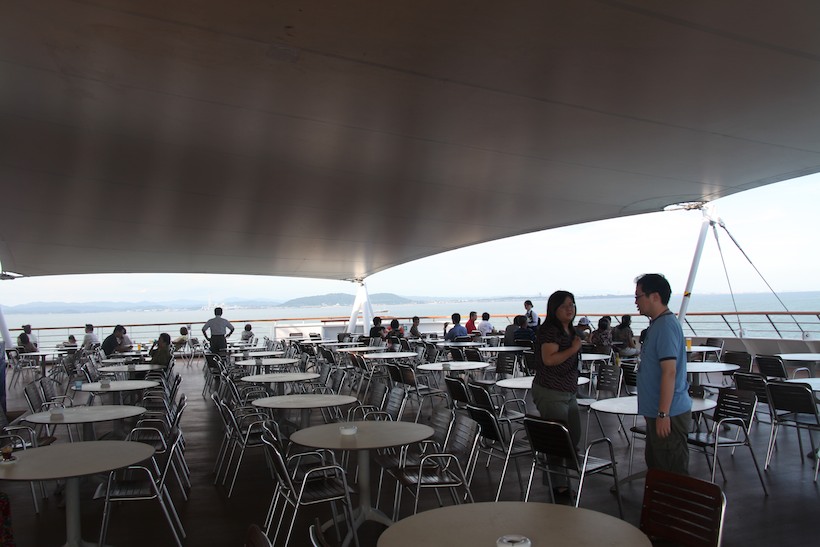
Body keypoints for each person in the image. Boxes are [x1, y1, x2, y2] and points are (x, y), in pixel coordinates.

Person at [635, 273, 692, 475]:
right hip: (659, 411)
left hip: (669, 413)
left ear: (655, 297)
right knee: (658, 466)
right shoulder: (658, 325)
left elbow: (669, 372)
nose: (636, 302)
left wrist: (663, 414)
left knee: (670, 472)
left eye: (638, 296)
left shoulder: (666, 327)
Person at [534, 290, 583, 451]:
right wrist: (574, 348)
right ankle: (556, 468)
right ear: (554, 309)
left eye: (572, 305)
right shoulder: (551, 330)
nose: (569, 309)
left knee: (573, 436)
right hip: (551, 390)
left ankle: (566, 464)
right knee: (559, 442)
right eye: (564, 306)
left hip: (568, 390)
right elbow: (549, 359)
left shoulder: (569, 330)